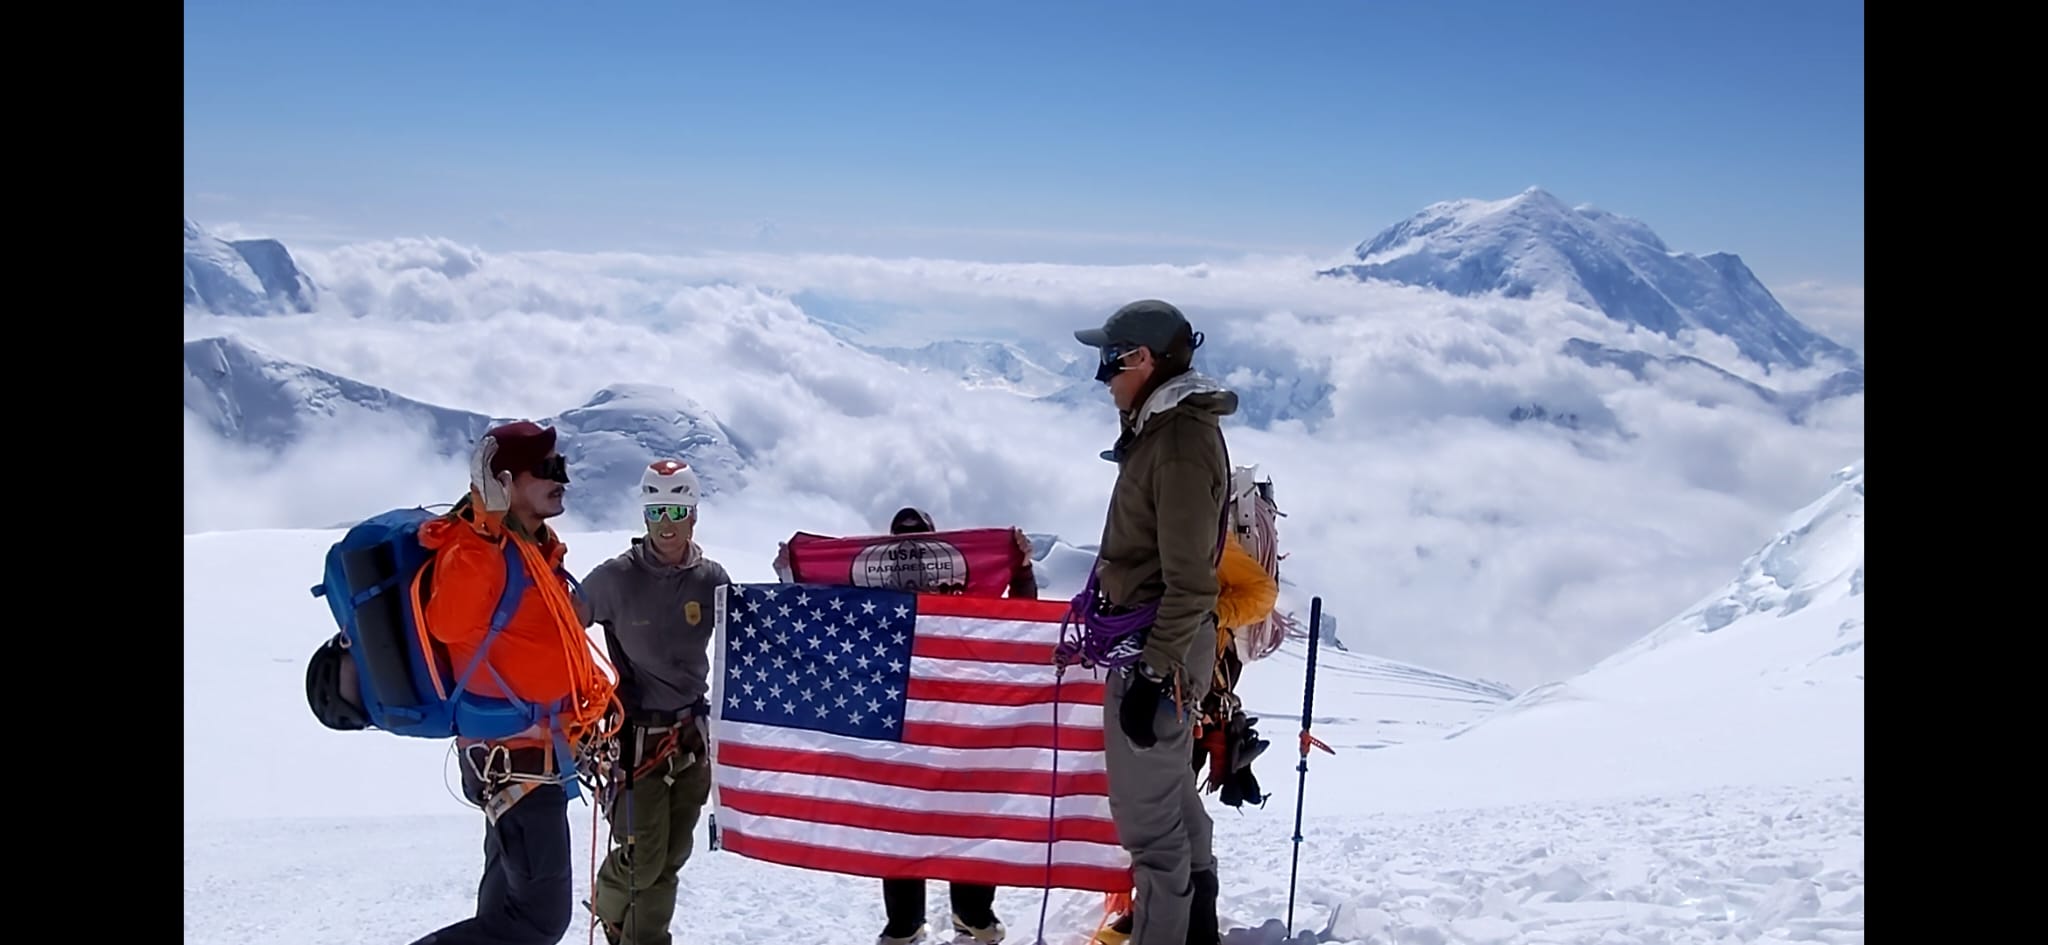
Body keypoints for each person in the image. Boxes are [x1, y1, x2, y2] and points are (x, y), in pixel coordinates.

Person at [773, 505, 1037, 945]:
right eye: (900, 549)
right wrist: (792, 573)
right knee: (898, 818)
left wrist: (1021, 568)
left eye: (921, 547)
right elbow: (821, 618)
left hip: (962, 721)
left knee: (967, 814)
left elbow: (1018, 621)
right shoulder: (868, 598)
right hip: (892, 720)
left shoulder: (966, 588)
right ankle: (905, 923)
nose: (911, 559)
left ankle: (972, 914)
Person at [408, 421, 621, 945]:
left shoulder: (533, 549)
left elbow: (543, 645)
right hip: (517, 765)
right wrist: (483, 528)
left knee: (506, 911)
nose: (561, 479)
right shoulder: (476, 547)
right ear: (503, 482)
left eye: (562, 467)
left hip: (533, 757)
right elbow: (449, 623)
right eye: (548, 470)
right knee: (537, 919)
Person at [1069, 299, 1239, 945]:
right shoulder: (1166, 432)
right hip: (1160, 645)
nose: (1104, 376)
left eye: (1110, 361)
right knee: (1172, 798)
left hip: (1156, 649)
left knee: (1147, 823)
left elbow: (1191, 579)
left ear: (1141, 358)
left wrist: (1152, 671)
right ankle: (1197, 930)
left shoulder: (1176, 443)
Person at [1094, 529, 1277, 945]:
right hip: (1176, 681)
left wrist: (1209, 617)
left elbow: (1260, 593)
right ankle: (1186, 923)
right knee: (1176, 807)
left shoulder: (1203, 532)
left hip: (1182, 684)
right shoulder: (1169, 530)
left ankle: (1176, 920)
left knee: (1164, 813)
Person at [579, 459, 733, 945]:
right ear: (645, 516)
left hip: (690, 738)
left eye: (676, 511)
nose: (666, 524)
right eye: (657, 511)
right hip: (635, 741)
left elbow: (749, 634)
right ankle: (609, 904)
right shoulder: (614, 580)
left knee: (669, 858)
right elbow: (557, 631)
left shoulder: (712, 581)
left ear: (693, 515)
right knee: (645, 858)